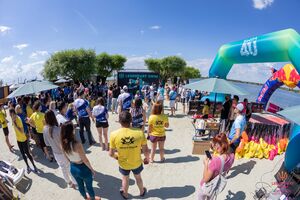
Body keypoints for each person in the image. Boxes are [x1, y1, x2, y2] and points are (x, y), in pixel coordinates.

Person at [109, 111, 149, 199]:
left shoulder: (113, 134)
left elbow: (111, 153)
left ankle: (125, 194)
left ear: (119, 121)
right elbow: (145, 150)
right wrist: (147, 158)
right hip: (136, 162)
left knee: (125, 178)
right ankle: (142, 191)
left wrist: (117, 157)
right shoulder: (139, 132)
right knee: (138, 178)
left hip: (123, 163)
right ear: (131, 120)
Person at [60, 122, 100, 200]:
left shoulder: (62, 144)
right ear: (71, 131)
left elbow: (66, 158)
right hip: (83, 168)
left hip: (73, 168)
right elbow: (85, 159)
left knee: (80, 186)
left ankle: (85, 198)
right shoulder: (76, 144)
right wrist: (92, 169)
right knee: (89, 187)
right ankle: (92, 198)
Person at [43, 110, 77, 188]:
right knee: (69, 167)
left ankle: (69, 183)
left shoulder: (44, 129)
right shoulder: (59, 129)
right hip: (64, 152)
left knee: (63, 168)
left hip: (55, 153)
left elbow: (47, 143)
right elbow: (66, 142)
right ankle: (75, 183)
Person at [198, 133, 234, 200]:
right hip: (216, 185)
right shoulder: (232, 156)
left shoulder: (215, 161)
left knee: (201, 196)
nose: (214, 148)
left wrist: (206, 164)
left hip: (207, 185)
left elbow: (205, 179)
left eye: (214, 146)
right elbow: (227, 170)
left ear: (219, 146)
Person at [9, 109, 37, 173]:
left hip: (23, 139)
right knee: (22, 154)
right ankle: (28, 166)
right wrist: (13, 122)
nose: (10, 116)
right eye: (10, 115)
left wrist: (14, 124)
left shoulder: (18, 119)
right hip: (18, 139)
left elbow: (21, 131)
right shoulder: (13, 119)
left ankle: (34, 165)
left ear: (14, 113)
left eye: (11, 114)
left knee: (27, 153)